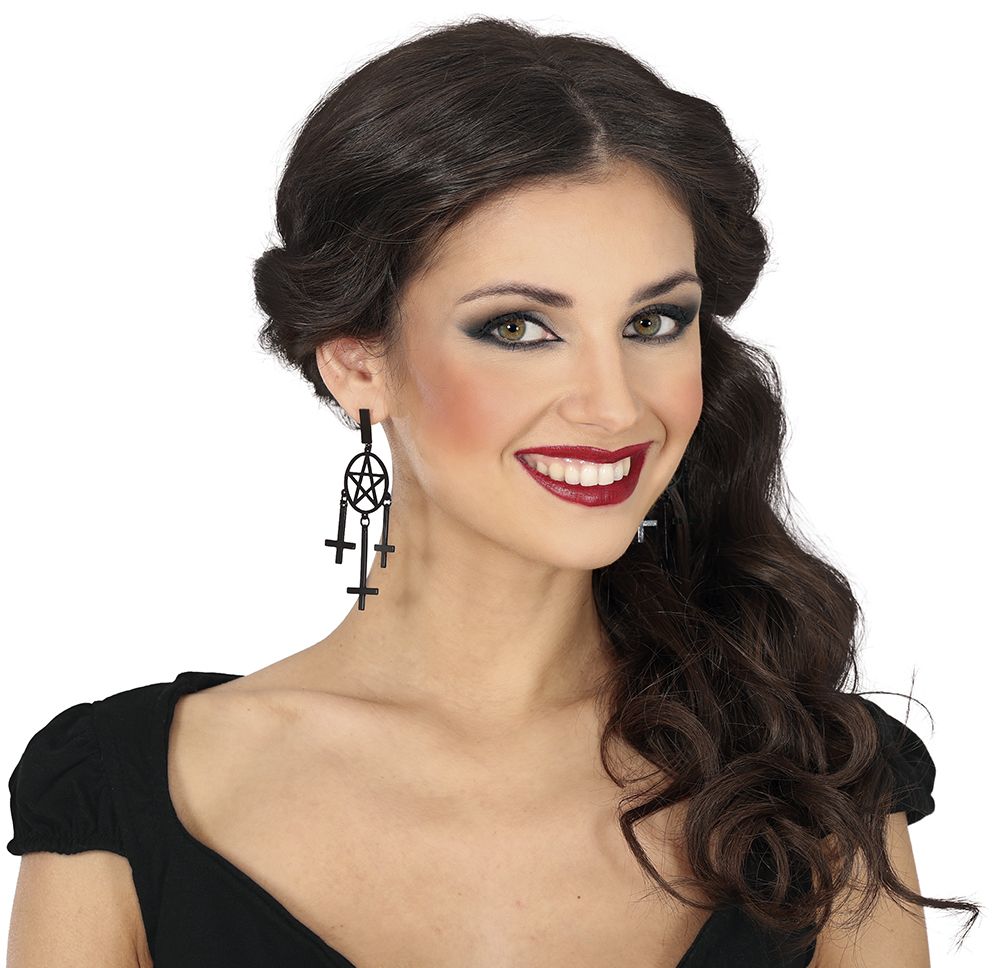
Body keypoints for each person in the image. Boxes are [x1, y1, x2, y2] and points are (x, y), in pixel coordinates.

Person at [5, 15, 979, 968]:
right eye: (517, 327)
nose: (613, 406)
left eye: (652, 323)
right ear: (357, 362)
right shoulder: (120, 796)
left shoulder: (821, 780)